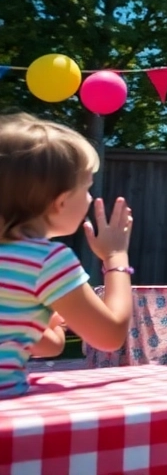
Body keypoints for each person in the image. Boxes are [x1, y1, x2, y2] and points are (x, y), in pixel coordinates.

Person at [0, 114, 133, 398]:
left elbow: (44, 345)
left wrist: (44, 322)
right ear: (60, 202)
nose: (89, 198)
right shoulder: (45, 262)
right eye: (86, 188)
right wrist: (116, 257)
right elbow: (109, 337)